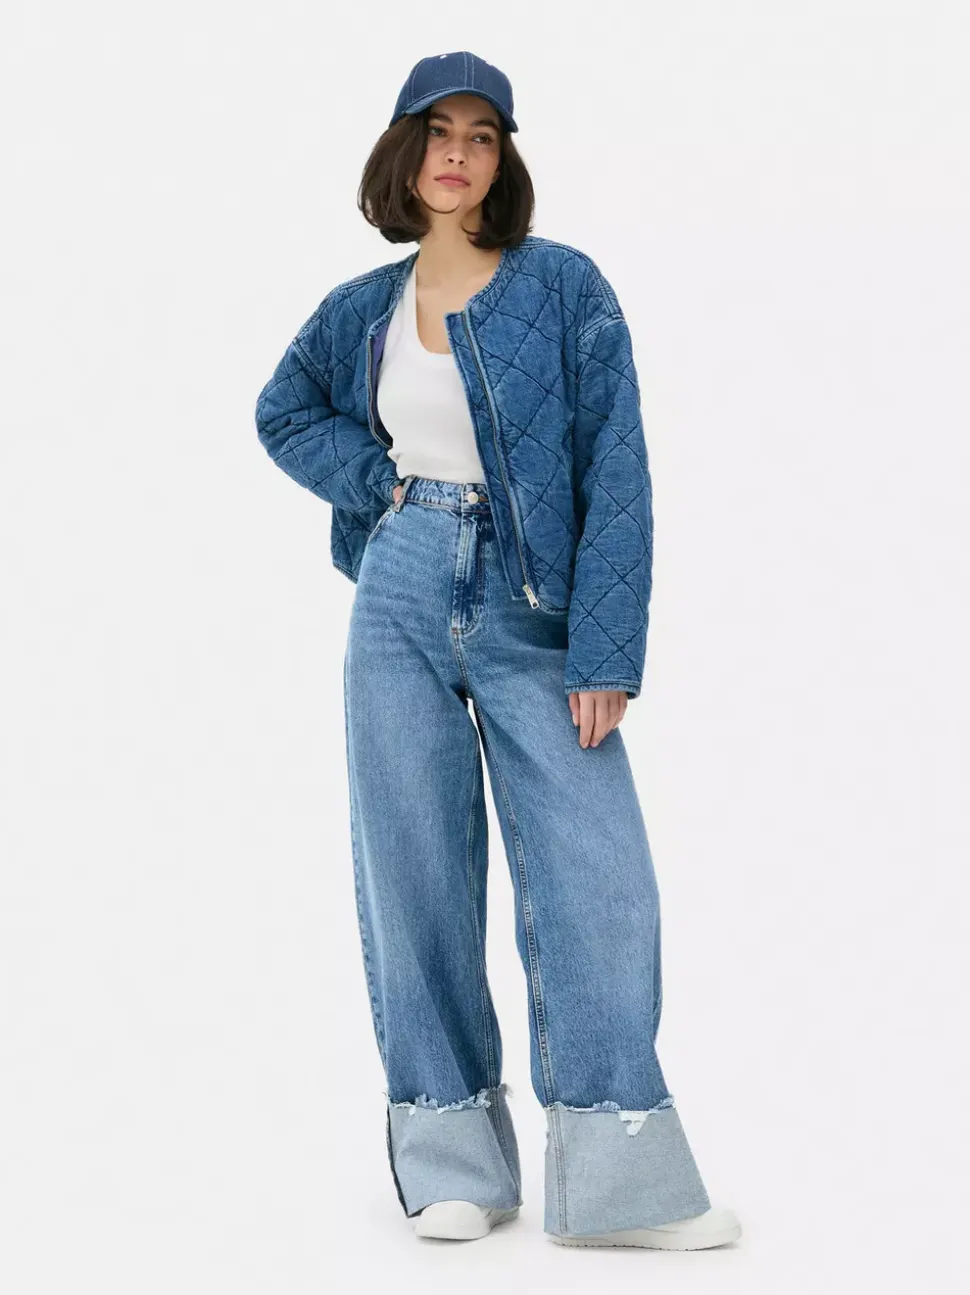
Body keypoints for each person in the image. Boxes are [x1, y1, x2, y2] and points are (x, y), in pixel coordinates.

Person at [254, 50, 741, 1249]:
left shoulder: (564, 286)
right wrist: (374, 483)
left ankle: (622, 1177)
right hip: (400, 590)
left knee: (599, 882)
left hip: (537, 609)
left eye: (482, 135)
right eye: (439, 131)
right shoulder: (362, 308)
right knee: (413, 873)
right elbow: (283, 409)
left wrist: (604, 650)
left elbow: (615, 465)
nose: (458, 153)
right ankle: (453, 1164)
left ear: (503, 159)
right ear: (404, 151)